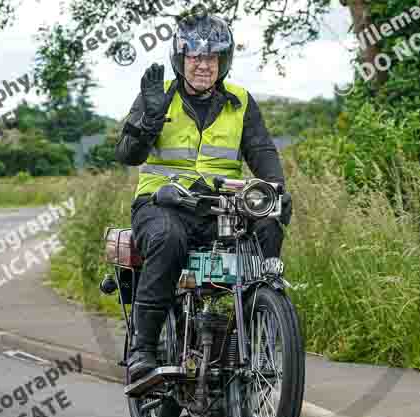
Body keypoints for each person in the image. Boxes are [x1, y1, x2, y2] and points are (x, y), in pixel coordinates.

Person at [115, 10, 292, 381]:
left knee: (269, 222)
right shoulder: (158, 95)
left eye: (211, 57)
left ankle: (262, 317)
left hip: (219, 206)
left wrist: (275, 189)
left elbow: (261, 150)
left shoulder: (241, 100)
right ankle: (143, 349)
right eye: (195, 57)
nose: (203, 65)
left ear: (222, 61)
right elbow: (127, 155)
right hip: (161, 203)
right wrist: (147, 123)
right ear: (181, 59)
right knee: (168, 239)